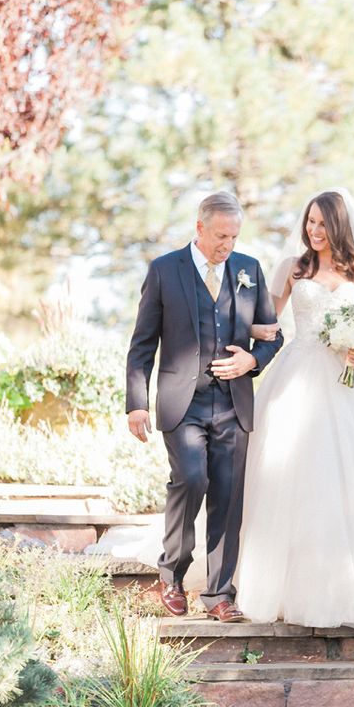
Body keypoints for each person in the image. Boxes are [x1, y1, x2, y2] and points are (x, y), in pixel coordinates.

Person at [235, 188, 354, 627]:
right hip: (297, 378)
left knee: (349, 481)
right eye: (309, 223)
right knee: (287, 475)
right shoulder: (293, 268)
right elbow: (266, 324)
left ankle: (347, 587)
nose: (314, 231)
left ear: (338, 226)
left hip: (348, 388)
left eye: (322, 223)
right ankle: (276, 585)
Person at [125, 191, 283, 623]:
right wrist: (136, 404)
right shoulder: (164, 271)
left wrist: (253, 360)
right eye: (219, 236)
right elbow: (142, 345)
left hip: (234, 404)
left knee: (229, 497)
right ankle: (172, 575)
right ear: (199, 228)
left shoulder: (249, 269)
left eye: (233, 236)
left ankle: (219, 595)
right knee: (191, 479)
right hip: (183, 403)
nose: (226, 245)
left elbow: (273, 336)